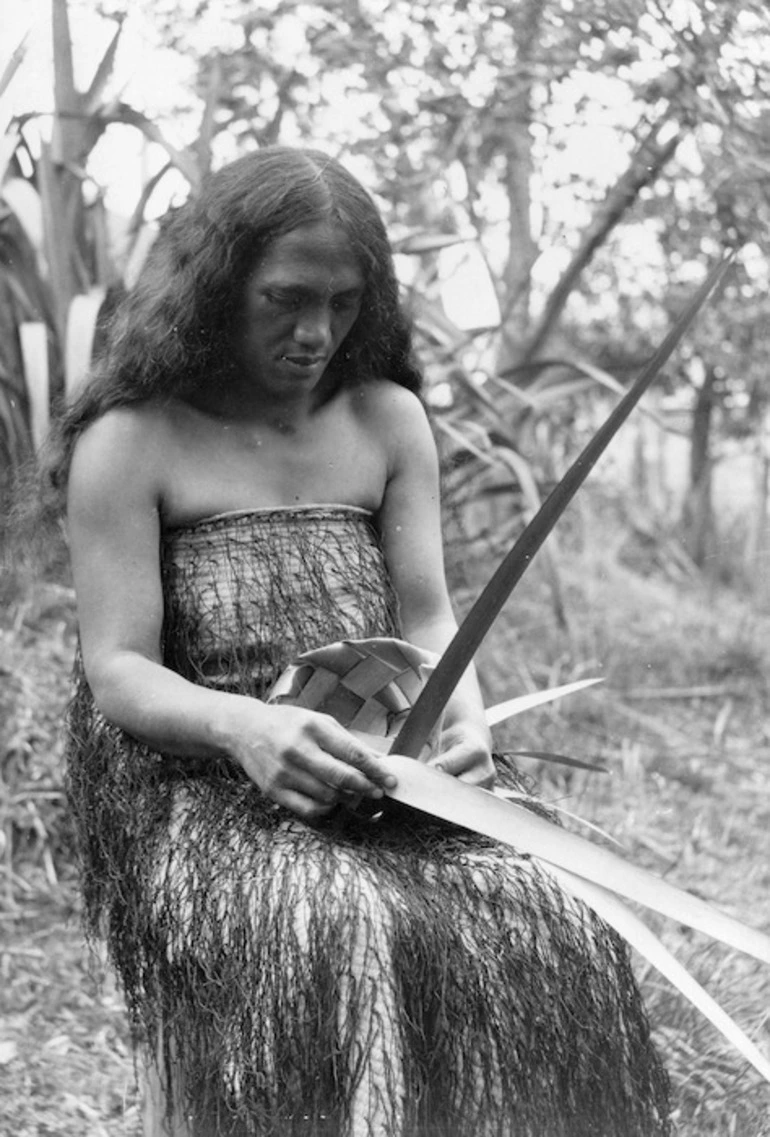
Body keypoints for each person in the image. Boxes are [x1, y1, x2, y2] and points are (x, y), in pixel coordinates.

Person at [55, 146, 670, 1136]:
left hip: (376, 762)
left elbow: (427, 621)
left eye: (343, 304)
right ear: (214, 288)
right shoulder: (134, 439)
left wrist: (455, 723)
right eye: (284, 299)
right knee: (331, 924)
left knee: (545, 904)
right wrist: (248, 731)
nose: (314, 333)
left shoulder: (385, 421)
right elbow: (117, 669)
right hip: (192, 783)